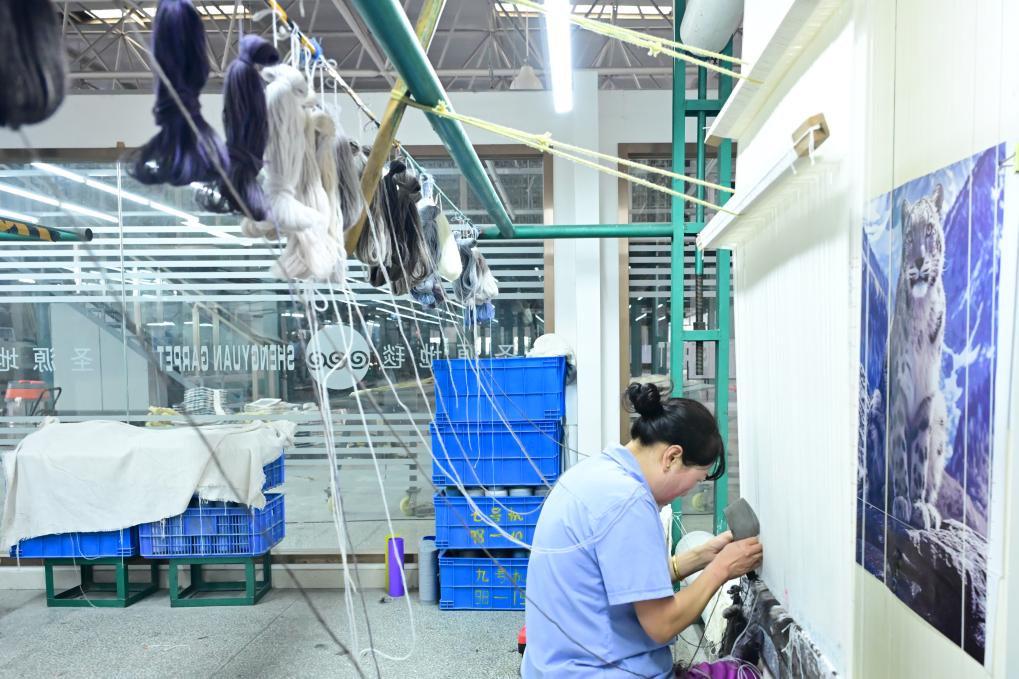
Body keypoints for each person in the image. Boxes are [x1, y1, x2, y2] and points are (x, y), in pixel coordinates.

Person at [522, 382, 764, 678]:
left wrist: (702, 557)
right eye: (696, 480)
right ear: (672, 457)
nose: (687, 492)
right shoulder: (628, 501)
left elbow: (624, 578)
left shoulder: (595, 473)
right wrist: (722, 568)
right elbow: (662, 624)